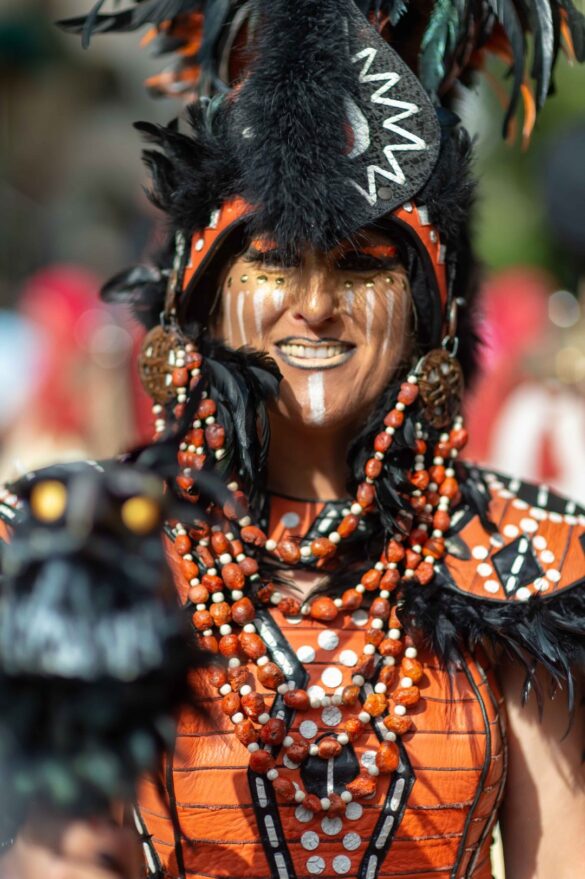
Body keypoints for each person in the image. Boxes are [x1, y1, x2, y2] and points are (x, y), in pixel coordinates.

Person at [2, 1, 585, 877]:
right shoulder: (94, 539)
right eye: (273, 262)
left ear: (426, 311)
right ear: (201, 298)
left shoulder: (526, 560)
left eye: (359, 267)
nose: (314, 305)